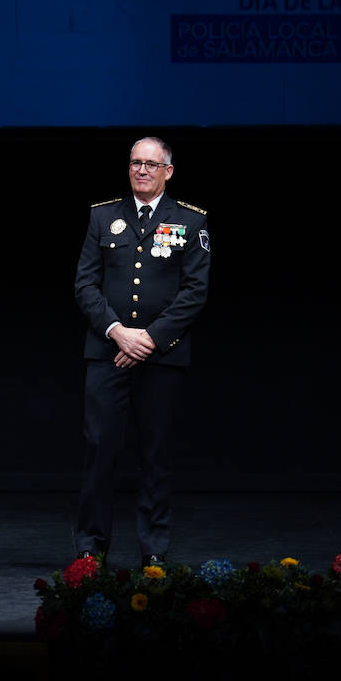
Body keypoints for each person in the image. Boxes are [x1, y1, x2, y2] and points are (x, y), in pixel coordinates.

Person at [74, 137, 209, 566]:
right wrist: (118, 332)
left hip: (162, 357)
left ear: (169, 171)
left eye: (151, 164)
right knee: (100, 450)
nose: (142, 170)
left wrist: (148, 339)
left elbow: (195, 291)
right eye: (136, 162)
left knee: (156, 454)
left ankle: (154, 549)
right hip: (107, 352)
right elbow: (85, 284)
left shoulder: (190, 220)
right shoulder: (103, 216)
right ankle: (91, 546)